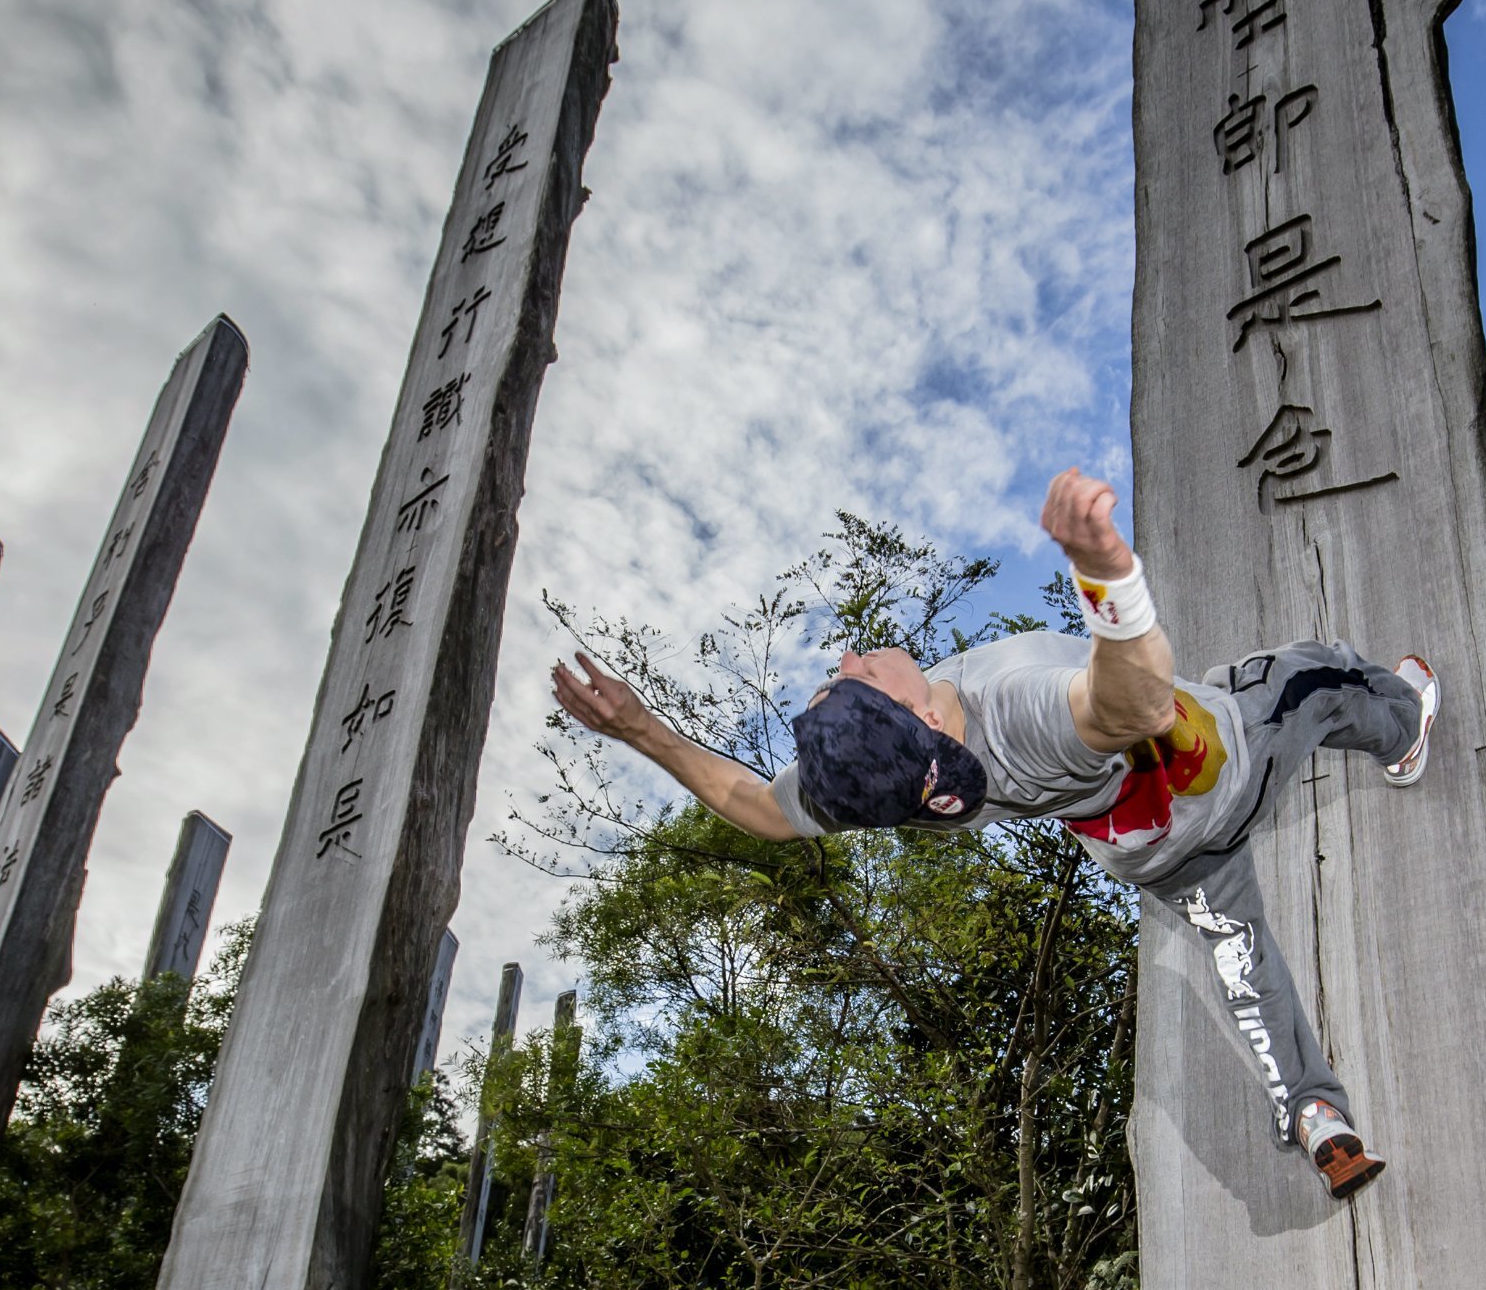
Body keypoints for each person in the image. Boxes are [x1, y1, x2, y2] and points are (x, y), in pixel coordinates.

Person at [552, 468, 1437, 1198]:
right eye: (854, 676)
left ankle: (1316, 1110)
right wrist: (1106, 575)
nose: (848, 657)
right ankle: (1408, 732)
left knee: (1240, 951)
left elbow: (753, 805)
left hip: (1151, 854)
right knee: (1317, 674)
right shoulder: (1015, 710)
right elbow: (1136, 702)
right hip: (1223, 772)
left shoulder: (892, 784)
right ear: (908, 708)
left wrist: (639, 728)